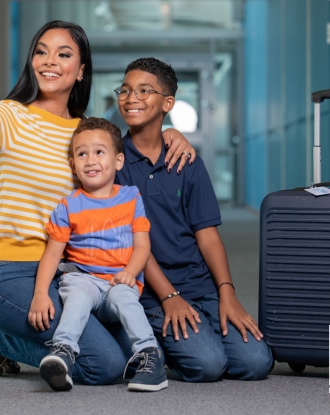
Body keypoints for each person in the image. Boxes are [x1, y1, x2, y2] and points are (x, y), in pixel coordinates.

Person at [0, 21, 195, 384]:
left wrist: (169, 132)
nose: (49, 61)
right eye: (41, 51)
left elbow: (119, 160)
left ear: (81, 70)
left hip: (69, 273)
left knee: (132, 356)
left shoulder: (86, 130)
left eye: (64, 53)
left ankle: (10, 335)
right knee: (102, 365)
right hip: (5, 269)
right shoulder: (11, 115)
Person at [114, 57, 273, 382]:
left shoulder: (188, 163)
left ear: (167, 103)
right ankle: (153, 341)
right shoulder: (114, 164)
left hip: (201, 287)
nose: (131, 98)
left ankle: (192, 332)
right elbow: (132, 244)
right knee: (209, 364)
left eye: (145, 90)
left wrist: (227, 293)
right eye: (126, 90)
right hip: (152, 293)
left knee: (257, 363)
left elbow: (208, 236)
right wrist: (170, 298)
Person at [29, 117, 166, 393]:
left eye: (99, 152)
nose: (90, 160)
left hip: (118, 281)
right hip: (84, 279)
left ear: (118, 161)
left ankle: (151, 357)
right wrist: (40, 293)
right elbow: (52, 255)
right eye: (82, 154)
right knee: (77, 292)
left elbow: (142, 246)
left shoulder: (130, 197)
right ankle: (64, 352)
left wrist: (130, 271)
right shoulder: (68, 205)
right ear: (73, 165)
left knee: (124, 297)